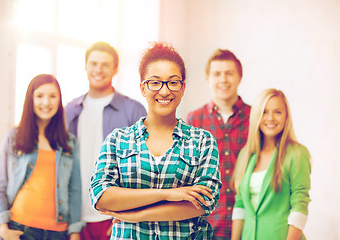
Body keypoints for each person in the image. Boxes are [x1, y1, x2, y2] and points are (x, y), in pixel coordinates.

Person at [89, 42, 222, 239]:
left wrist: (137, 215)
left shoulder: (202, 141)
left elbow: (203, 202)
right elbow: (101, 196)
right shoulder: (117, 140)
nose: (165, 91)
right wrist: (169, 194)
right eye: (155, 82)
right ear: (143, 87)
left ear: (183, 87)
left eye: (173, 82)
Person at [65, 41, 147, 239]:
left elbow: (146, 166)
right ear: (86, 66)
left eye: (105, 64)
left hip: (114, 216)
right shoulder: (69, 110)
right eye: (93, 63)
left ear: (115, 69)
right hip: (75, 217)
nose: (98, 69)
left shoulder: (133, 110)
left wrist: (127, 214)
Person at [0, 74, 83, 240]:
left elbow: (75, 189)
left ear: (59, 101)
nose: (46, 102)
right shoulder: (14, 137)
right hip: (20, 229)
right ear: (30, 100)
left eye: (53, 96)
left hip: (59, 233)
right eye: (40, 96)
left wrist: (75, 231)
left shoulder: (69, 143)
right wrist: (3, 229)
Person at [186, 49, 250, 239]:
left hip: (249, 223)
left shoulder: (255, 118)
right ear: (208, 78)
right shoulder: (194, 120)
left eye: (229, 73)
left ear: (239, 77)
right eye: (217, 74)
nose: (223, 79)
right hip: (207, 224)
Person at [231, 89, 311, 240]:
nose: (270, 118)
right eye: (264, 112)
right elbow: (240, 204)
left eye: (278, 112)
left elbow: (299, 206)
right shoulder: (246, 155)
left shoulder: (297, 153)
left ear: (286, 116)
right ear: (256, 116)